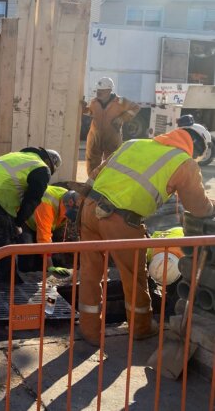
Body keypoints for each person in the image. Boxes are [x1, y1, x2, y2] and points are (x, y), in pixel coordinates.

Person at [78, 124, 214, 346]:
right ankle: (140, 327)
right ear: (196, 147)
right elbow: (198, 207)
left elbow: (95, 174)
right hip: (120, 219)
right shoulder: (183, 162)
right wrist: (212, 210)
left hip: (89, 207)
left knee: (90, 272)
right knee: (133, 276)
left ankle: (90, 330)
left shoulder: (135, 143)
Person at [0, 147, 62, 281]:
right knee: (5, 239)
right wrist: (18, 223)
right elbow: (32, 199)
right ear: (48, 162)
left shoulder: (21, 156)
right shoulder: (42, 168)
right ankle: (9, 283)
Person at [19, 186, 80, 277]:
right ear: (70, 203)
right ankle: (24, 276)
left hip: (49, 224)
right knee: (27, 258)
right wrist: (51, 267)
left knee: (52, 254)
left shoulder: (68, 198)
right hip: (27, 223)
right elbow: (44, 239)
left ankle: (43, 267)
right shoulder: (47, 205)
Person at [84, 77, 140, 175]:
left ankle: (108, 183)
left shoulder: (120, 102)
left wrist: (122, 118)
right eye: (98, 90)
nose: (98, 93)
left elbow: (136, 107)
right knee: (92, 161)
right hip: (95, 137)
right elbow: (90, 112)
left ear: (109, 90)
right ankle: (91, 184)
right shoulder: (94, 102)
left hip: (112, 137)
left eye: (102, 91)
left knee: (112, 162)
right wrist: (82, 108)